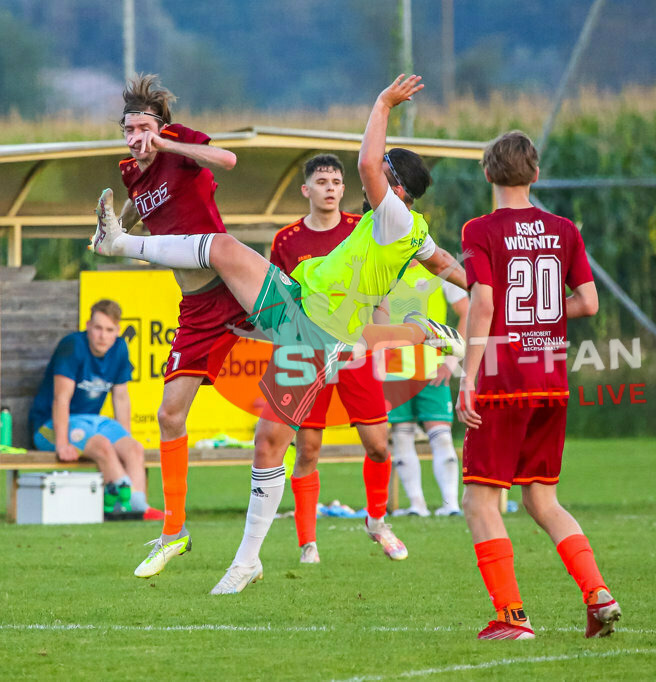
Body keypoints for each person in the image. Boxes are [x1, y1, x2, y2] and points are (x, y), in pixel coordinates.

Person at [89, 74, 467, 593]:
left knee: (223, 253)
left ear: (394, 183)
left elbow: (363, 163)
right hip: (302, 309)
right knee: (269, 439)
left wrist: (382, 103)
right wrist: (492, 287)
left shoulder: (393, 213)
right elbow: (444, 261)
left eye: (382, 171)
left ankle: (119, 246)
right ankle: (243, 558)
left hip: (311, 324)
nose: (366, 175)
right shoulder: (407, 228)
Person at [456, 130, 620, 639]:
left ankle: (511, 616)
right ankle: (598, 593)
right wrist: (542, 322)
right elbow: (588, 303)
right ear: (536, 174)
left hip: (504, 378)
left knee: (481, 500)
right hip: (550, 378)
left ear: (488, 173)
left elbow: (483, 302)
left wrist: (469, 375)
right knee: (541, 499)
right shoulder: (563, 229)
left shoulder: (479, 229)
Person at [104, 73, 247, 575]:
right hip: (195, 308)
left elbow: (228, 160)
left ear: (160, 125)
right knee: (169, 415)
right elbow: (136, 208)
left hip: (232, 284)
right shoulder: (131, 171)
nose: (136, 138)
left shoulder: (178, 142)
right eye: (129, 130)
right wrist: (117, 227)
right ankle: (174, 531)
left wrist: (168, 142)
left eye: (143, 128)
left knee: (301, 342)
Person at [268, 152, 405, 564]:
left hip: (356, 351)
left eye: (336, 182)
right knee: (308, 449)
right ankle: (308, 543)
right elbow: (278, 303)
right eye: (322, 182)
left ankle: (377, 522)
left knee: (378, 445)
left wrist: (377, 339)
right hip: (307, 354)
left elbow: (379, 291)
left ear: (345, 189)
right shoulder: (286, 241)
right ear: (306, 189)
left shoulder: (361, 230)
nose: (330, 188)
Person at [29, 299, 159, 518]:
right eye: (98, 328)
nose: (102, 335)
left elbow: (121, 397)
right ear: (88, 325)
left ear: (117, 331)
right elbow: (61, 399)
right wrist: (62, 444)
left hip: (92, 421)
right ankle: (121, 505)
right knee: (103, 446)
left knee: (134, 448)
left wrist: (124, 438)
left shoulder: (119, 348)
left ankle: (139, 507)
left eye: (109, 330)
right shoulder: (72, 345)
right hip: (49, 425)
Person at [387, 259, 468, 517]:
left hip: (433, 369)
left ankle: (450, 505)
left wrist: (452, 360)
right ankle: (417, 506)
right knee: (401, 437)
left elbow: (466, 310)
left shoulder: (439, 266)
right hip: (393, 370)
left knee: (441, 436)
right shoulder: (383, 268)